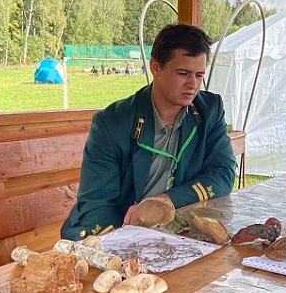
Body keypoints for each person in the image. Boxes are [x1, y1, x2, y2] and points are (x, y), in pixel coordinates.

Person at [61, 24, 236, 240]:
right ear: (155, 67)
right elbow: (97, 205)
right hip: (119, 231)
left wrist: (166, 201)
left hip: (178, 232)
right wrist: (125, 240)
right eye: (183, 73)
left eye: (199, 75)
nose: (193, 84)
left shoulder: (208, 110)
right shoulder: (113, 123)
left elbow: (223, 174)